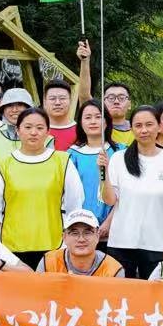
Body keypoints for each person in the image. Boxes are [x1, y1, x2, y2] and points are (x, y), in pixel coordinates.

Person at [0, 107, 84, 266]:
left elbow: (74, 206)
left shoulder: (63, 161)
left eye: (40, 128)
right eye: (27, 127)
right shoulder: (3, 164)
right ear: (17, 130)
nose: (33, 132)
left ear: (48, 132)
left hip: (55, 245)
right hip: (11, 247)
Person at [1, 207, 125, 278]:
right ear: (64, 237)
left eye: (87, 233)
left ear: (97, 236)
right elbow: (38, 296)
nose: (81, 239)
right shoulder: (49, 262)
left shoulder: (113, 269)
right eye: (74, 233)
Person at [67, 99, 119, 233]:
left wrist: (108, 223)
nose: (93, 121)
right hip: (81, 228)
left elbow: (126, 193)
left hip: (115, 227)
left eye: (98, 117)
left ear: (107, 121)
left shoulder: (120, 152)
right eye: (88, 117)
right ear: (80, 123)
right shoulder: (71, 155)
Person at [42, 80, 79, 152]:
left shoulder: (81, 131)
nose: (57, 103)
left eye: (62, 98)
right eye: (52, 98)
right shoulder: (35, 130)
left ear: (70, 101)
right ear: (44, 101)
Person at [103, 80, 136, 146]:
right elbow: (84, 97)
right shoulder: (97, 128)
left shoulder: (138, 129)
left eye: (121, 98)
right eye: (111, 98)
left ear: (129, 104)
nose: (116, 101)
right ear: (103, 103)